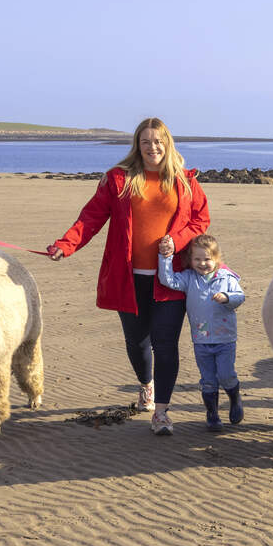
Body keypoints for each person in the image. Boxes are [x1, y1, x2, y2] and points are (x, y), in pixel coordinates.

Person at [45, 118, 210, 435]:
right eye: (146, 141)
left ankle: (160, 412)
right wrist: (66, 245)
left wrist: (178, 240)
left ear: (168, 144)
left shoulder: (185, 181)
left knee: (165, 345)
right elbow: (91, 217)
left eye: (158, 141)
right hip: (129, 278)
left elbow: (201, 219)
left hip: (171, 279)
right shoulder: (119, 180)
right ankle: (146, 383)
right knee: (137, 343)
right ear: (138, 145)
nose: (153, 147)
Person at [156, 233, 245, 431]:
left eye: (207, 259)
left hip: (225, 338)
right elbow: (167, 280)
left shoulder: (226, 277)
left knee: (226, 374)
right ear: (190, 260)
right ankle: (212, 414)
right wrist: (166, 257)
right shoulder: (189, 278)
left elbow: (240, 296)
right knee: (208, 380)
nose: (202, 263)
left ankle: (234, 397)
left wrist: (227, 297)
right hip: (201, 339)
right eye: (197, 259)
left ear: (216, 258)